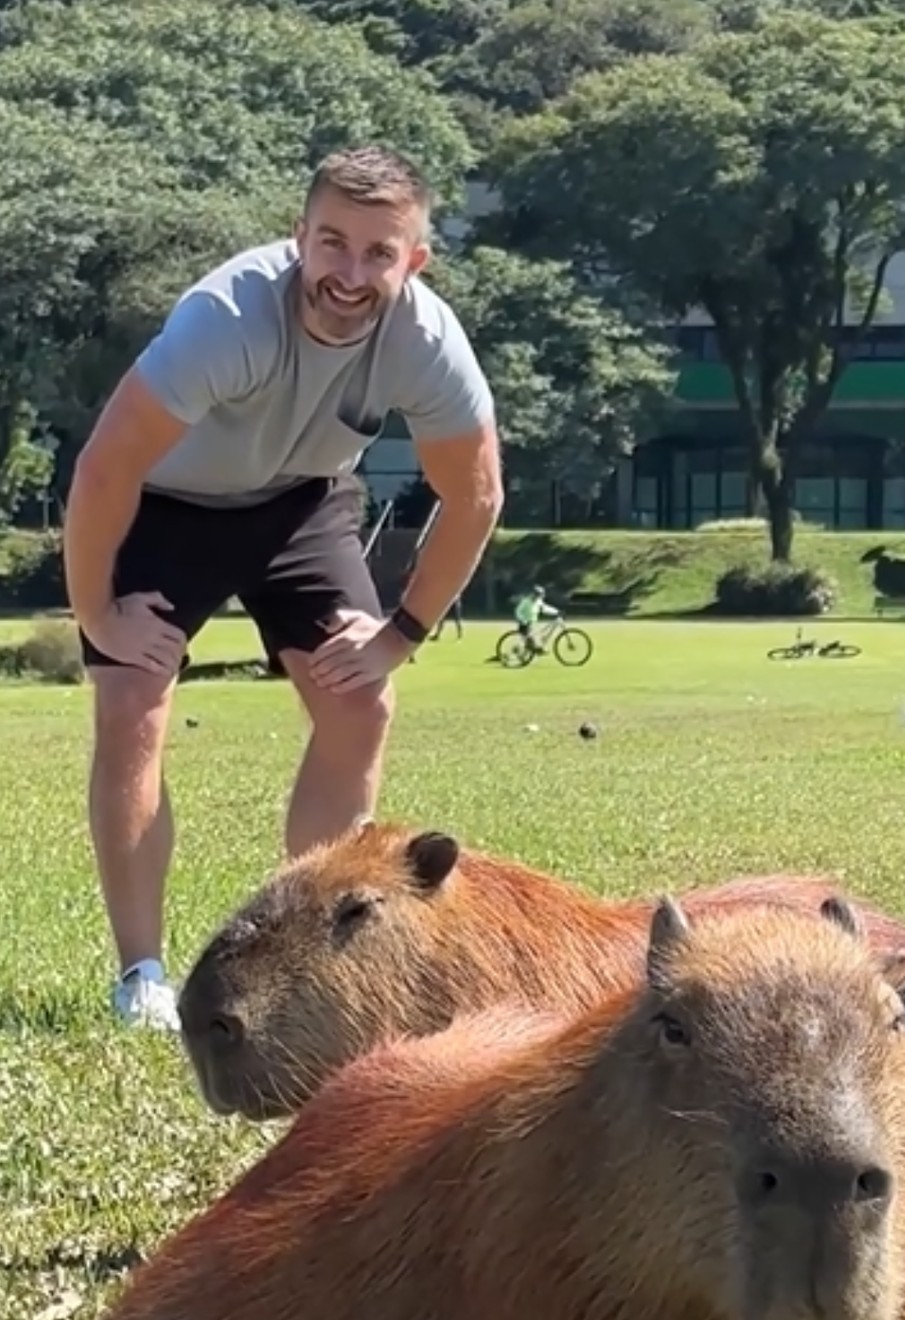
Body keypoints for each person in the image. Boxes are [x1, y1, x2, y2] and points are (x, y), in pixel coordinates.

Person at [63, 145, 503, 1031]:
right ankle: (141, 975)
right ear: (299, 235)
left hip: (299, 505)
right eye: (331, 243)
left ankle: (313, 963)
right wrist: (99, 615)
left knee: (360, 703)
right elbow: (104, 470)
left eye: (379, 253)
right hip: (161, 506)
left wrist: (400, 632)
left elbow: (477, 493)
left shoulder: (424, 340)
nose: (349, 272)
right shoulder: (225, 318)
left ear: (413, 261)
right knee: (134, 702)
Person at [513, 584, 559, 654]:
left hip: (532, 624)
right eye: (538, 595)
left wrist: (556, 612)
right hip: (524, 624)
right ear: (534, 594)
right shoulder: (526, 601)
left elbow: (544, 608)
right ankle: (537, 649)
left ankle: (537, 649)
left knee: (538, 635)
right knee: (531, 639)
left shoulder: (538, 602)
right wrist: (523, 620)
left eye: (540, 596)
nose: (538, 597)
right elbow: (518, 611)